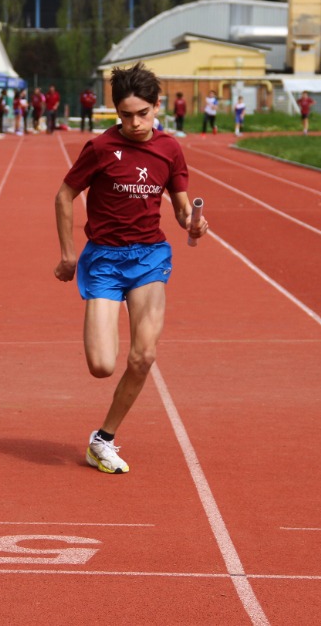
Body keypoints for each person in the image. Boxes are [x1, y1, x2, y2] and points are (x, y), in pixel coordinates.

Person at [53, 62, 207, 474]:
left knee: (143, 356)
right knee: (102, 366)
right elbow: (64, 195)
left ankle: (102, 440)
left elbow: (181, 208)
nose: (135, 123)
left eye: (143, 113)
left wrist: (192, 222)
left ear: (157, 107)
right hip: (104, 260)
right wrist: (68, 254)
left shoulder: (170, 149)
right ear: (116, 112)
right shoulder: (101, 148)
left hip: (149, 258)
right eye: (126, 115)